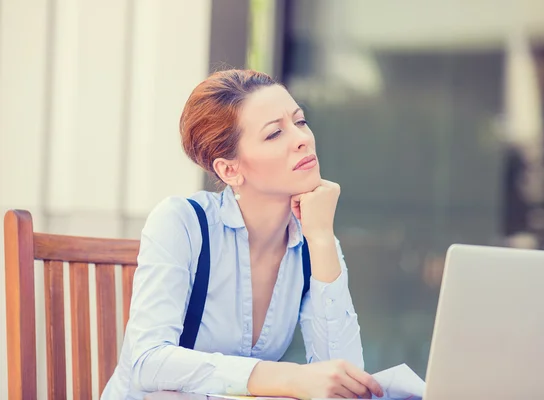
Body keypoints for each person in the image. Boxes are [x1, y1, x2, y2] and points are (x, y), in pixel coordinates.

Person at [101, 69, 384, 399]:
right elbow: (147, 362)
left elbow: (344, 380)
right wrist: (286, 378)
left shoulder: (312, 243)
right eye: (274, 133)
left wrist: (321, 237)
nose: (302, 139)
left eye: (300, 121)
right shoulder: (182, 223)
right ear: (229, 170)